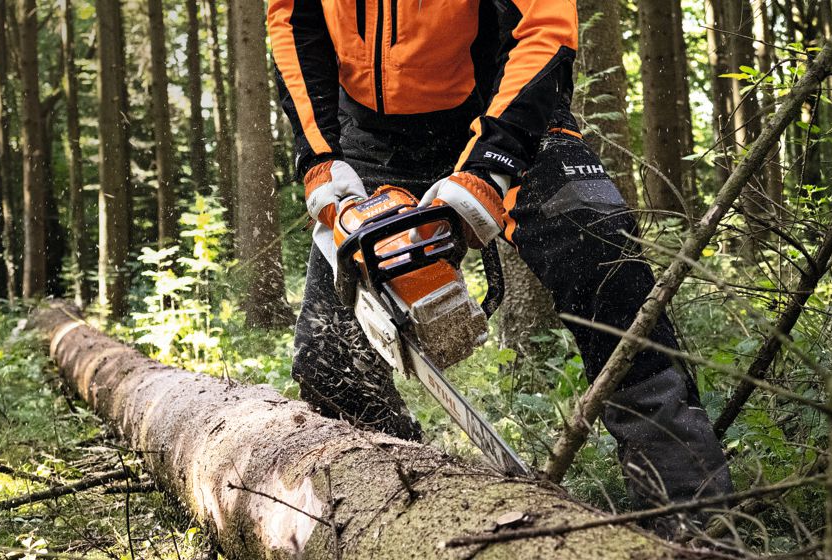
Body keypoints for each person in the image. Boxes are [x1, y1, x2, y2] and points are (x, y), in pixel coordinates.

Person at [264, 0, 734, 518]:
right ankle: (402, 504)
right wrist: (319, 155)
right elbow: (293, 19)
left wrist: (492, 163)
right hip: (373, 136)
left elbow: (546, 25)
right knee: (331, 359)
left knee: (603, 262)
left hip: (512, 108)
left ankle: (694, 514)